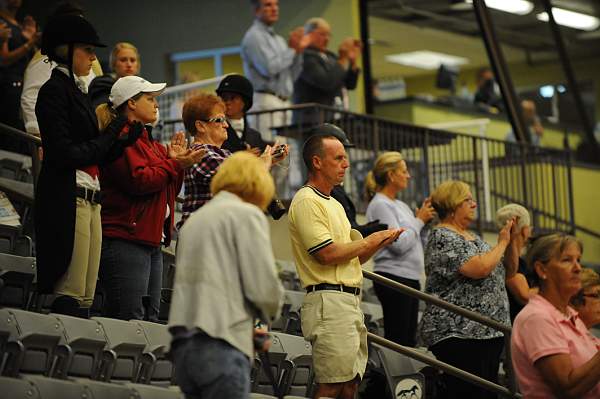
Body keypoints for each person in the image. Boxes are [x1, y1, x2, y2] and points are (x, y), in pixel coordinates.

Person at [35, 14, 138, 316]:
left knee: (86, 294)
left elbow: (96, 152)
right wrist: (108, 136)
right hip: (69, 195)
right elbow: (66, 152)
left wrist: (121, 139)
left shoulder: (78, 93)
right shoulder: (54, 91)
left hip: (91, 196)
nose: (93, 57)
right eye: (86, 50)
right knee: (71, 289)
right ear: (64, 51)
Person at [288, 130, 403, 399]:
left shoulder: (336, 204)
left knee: (350, 384)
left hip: (348, 300)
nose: (346, 164)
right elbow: (326, 254)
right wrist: (369, 240)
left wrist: (377, 244)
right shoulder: (307, 200)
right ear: (317, 162)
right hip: (329, 299)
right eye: (339, 157)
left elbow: (354, 256)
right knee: (332, 385)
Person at [169, 151, 284, 399]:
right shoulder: (246, 214)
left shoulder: (193, 221)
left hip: (185, 348)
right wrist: (271, 311)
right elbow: (263, 287)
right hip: (223, 342)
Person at [96, 75, 204, 321]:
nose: (156, 104)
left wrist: (177, 165)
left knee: (150, 320)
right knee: (129, 319)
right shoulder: (121, 139)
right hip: (126, 238)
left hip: (150, 239)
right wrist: (174, 163)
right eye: (150, 99)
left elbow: (167, 191)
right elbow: (139, 182)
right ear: (131, 103)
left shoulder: (151, 144)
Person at [418, 180, 515, 399]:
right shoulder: (443, 236)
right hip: (460, 334)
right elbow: (479, 268)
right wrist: (501, 244)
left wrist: (512, 241)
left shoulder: (473, 238)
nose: (474, 204)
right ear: (453, 204)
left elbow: (508, 271)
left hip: (487, 333)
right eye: (468, 199)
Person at [178, 93, 287, 228]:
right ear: (201, 126)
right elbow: (239, 181)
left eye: (225, 120)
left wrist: (268, 160)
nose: (226, 125)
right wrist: (263, 163)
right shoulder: (199, 153)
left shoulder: (223, 153)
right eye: (219, 120)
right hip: (202, 236)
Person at [511, 233, 600, 398]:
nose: (578, 268)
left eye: (578, 260)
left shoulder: (570, 314)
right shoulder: (537, 318)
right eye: (567, 260)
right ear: (542, 270)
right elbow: (568, 388)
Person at [365, 151, 435, 347]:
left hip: (410, 277)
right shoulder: (380, 204)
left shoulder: (401, 205)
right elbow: (399, 244)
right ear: (391, 175)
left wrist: (425, 222)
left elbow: (414, 239)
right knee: (398, 340)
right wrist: (419, 220)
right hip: (393, 276)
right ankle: (387, 378)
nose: (409, 176)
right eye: (404, 171)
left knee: (408, 342)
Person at [21, 1, 103, 136]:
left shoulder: (87, 57)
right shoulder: (47, 58)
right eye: (76, 23)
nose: (83, 27)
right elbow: (31, 99)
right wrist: (38, 137)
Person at [241, 0, 309, 137]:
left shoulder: (279, 40)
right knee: (269, 152)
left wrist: (298, 52)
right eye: (268, 5)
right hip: (265, 101)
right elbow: (268, 68)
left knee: (288, 154)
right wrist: (291, 50)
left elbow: (292, 76)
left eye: (276, 4)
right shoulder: (253, 36)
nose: (274, 9)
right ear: (256, 11)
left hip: (284, 102)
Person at [292, 17, 361, 125]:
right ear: (309, 34)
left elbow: (350, 84)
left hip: (334, 116)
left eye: (329, 35)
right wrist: (343, 58)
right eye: (322, 34)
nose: (327, 38)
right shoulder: (304, 56)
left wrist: (352, 62)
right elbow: (326, 82)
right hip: (312, 119)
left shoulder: (331, 56)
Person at [0, 0, 40, 136]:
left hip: (21, 84)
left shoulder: (18, 25)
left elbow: (32, 57)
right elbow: (4, 59)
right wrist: (29, 43)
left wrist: (28, 38)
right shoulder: (2, 23)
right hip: (8, 86)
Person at [496, 203, 538, 321]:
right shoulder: (508, 264)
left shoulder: (522, 262)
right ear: (525, 231)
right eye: (529, 227)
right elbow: (525, 296)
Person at [216, 73, 271, 153]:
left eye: (233, 98)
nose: (227, 102)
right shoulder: (215, 132)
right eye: (224, 98)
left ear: (245, 101)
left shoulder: (255, 136)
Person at [88, 42, 140, 108]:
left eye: (132, 60)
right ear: (114, 63)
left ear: (138, 65)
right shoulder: (102, 85)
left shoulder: (143, 89)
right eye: (123, 60)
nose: (129, 65)